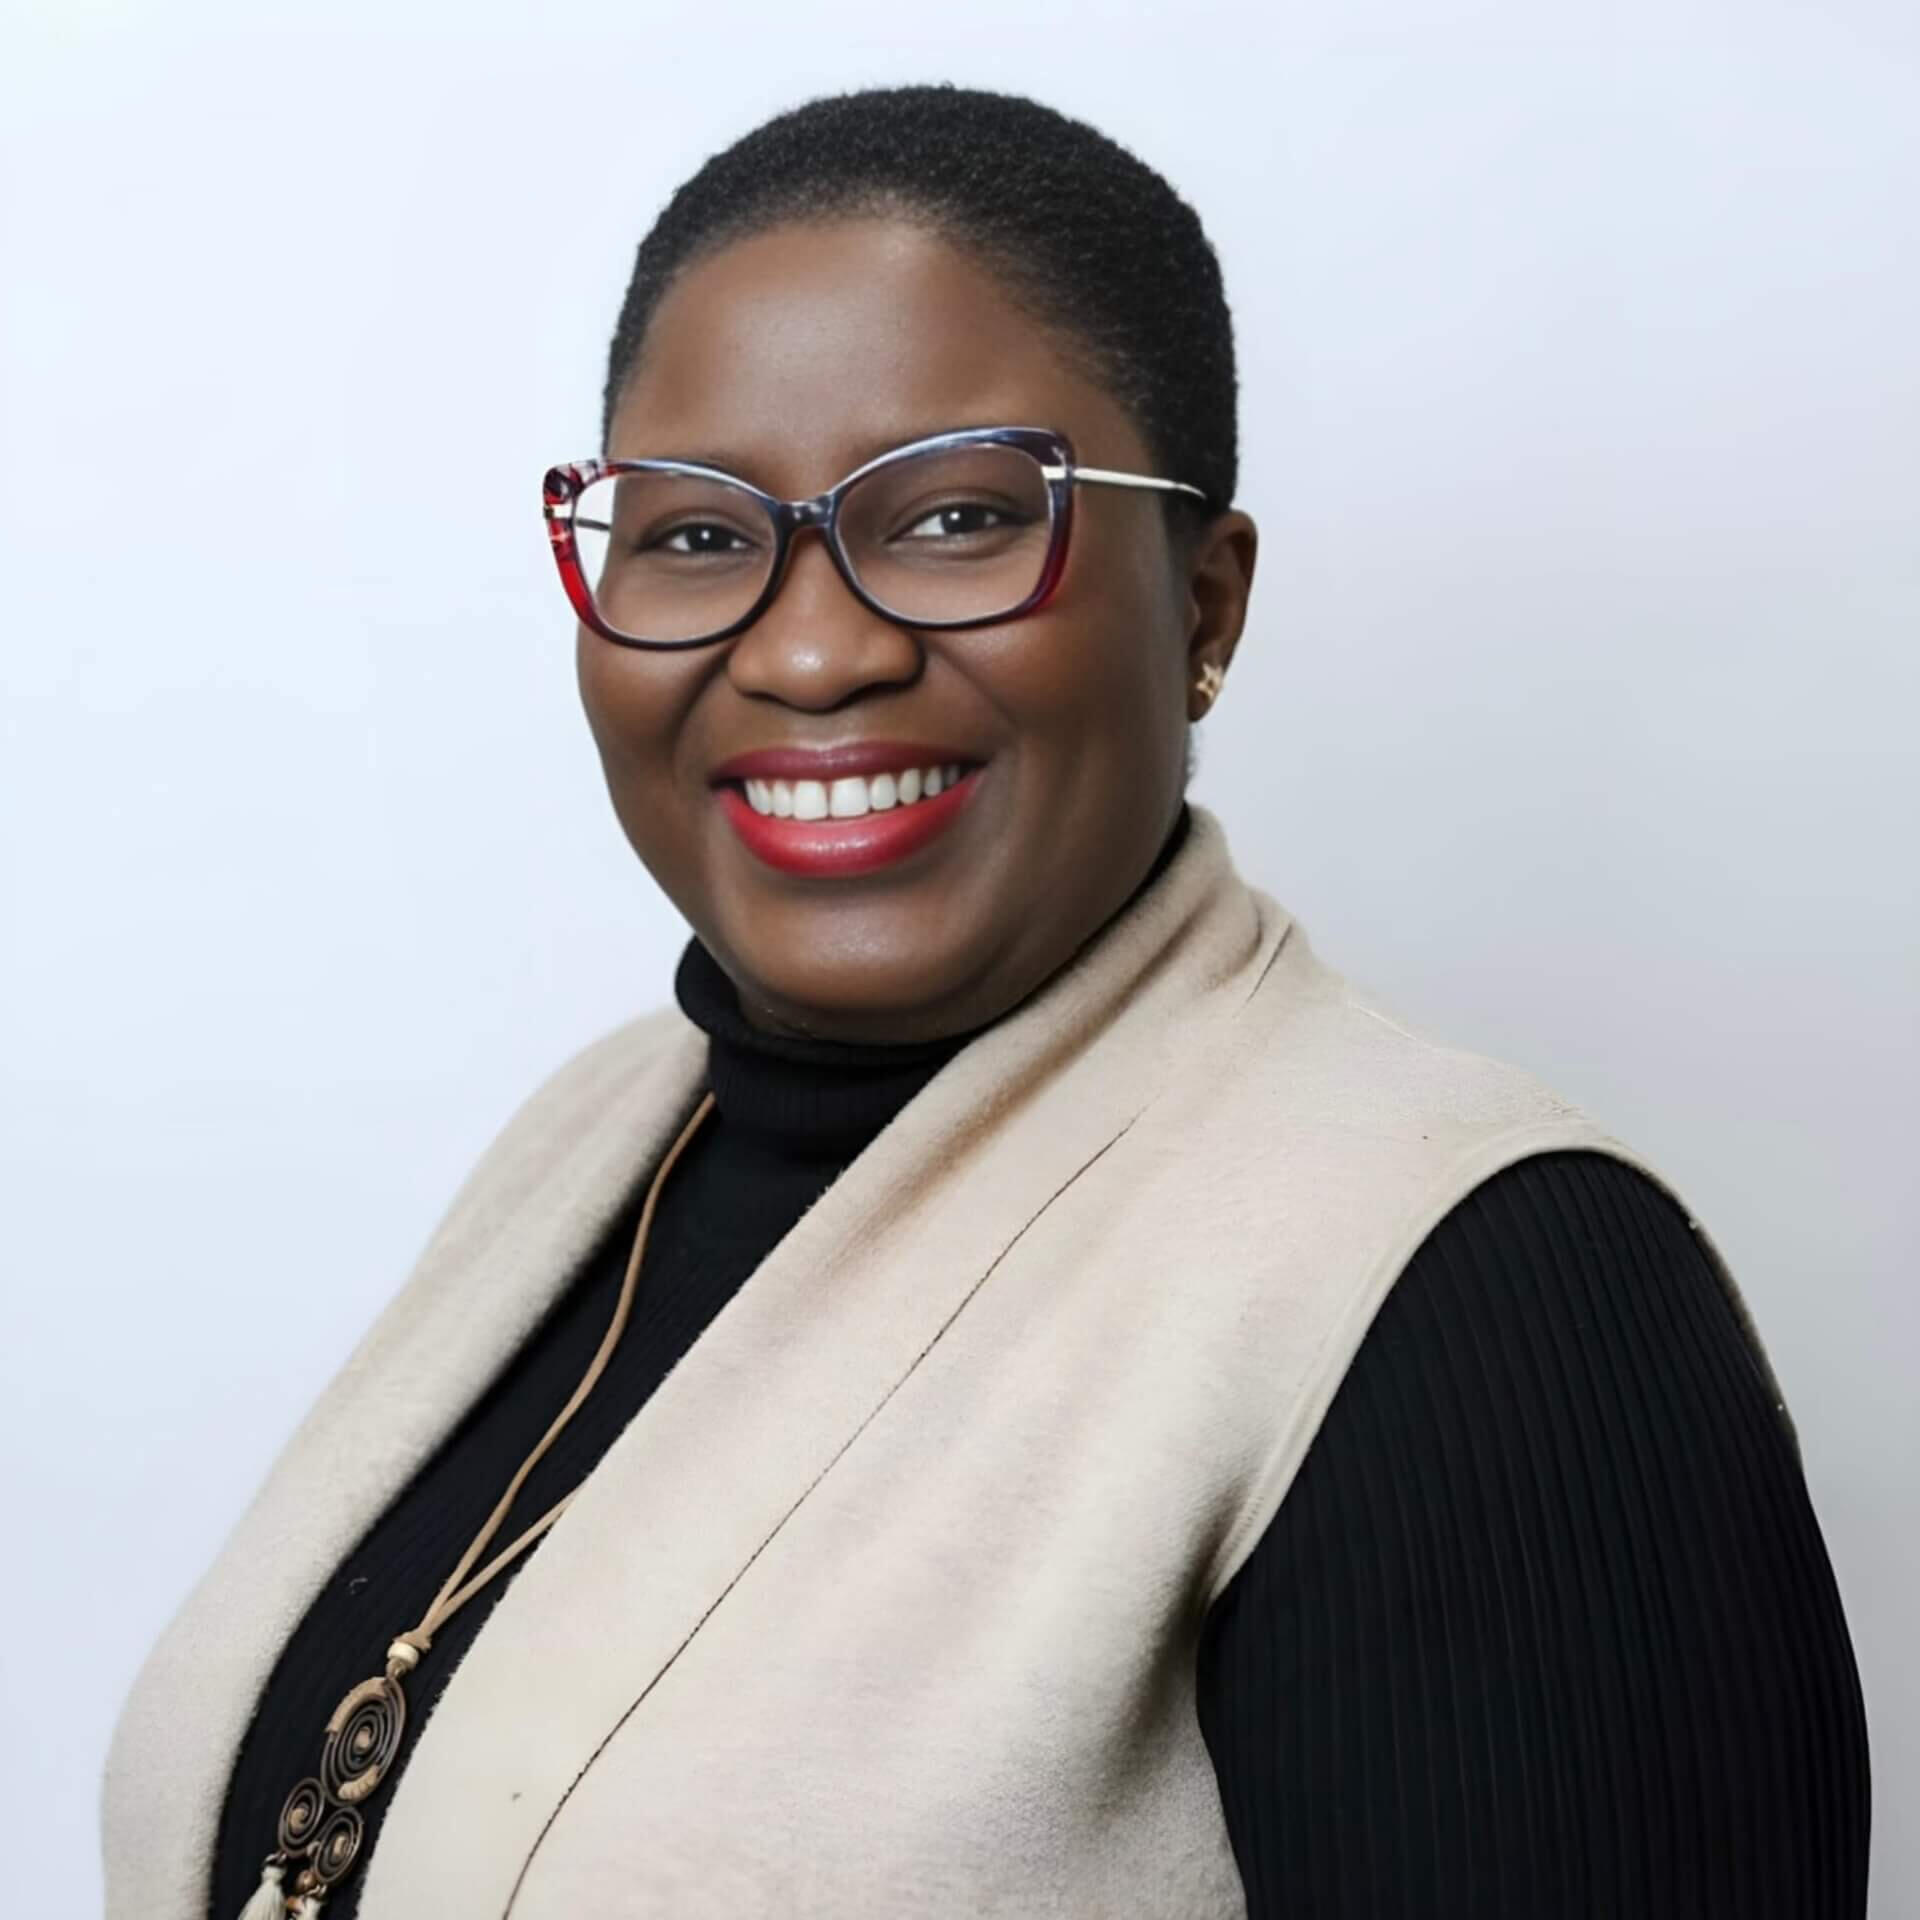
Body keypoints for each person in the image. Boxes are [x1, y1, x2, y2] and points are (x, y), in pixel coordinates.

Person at [103, 83, 1869, 1919]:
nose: (810, 649)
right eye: (696, 536)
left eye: (955, 517)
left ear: (1204, 605)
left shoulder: (1482, 1293)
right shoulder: (594, 1141)